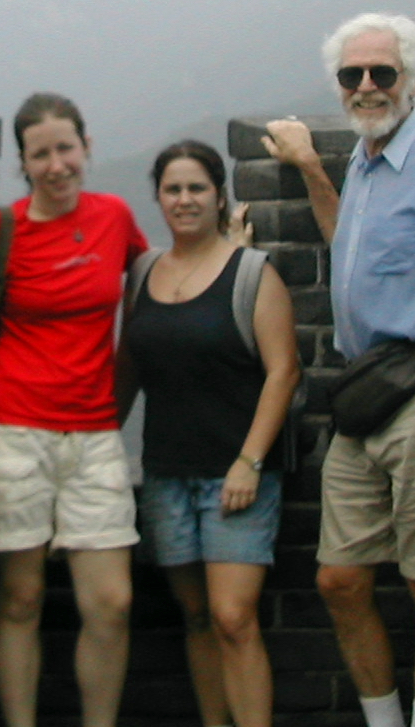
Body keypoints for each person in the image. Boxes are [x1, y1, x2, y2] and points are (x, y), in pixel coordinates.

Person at [262, 14, 415, 727]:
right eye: (352, 75)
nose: (368, 87)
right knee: (340, 579)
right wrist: (313, 167)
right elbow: (350, 244)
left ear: (410, 80)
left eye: (382, 73)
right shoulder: (364, 160)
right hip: (365, 390)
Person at [0, 92, 148, 727]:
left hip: (93, 431)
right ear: (22, 163)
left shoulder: (115, 217)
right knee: (20, 598)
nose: (57, 164)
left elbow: (155, 288)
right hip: (10, 427)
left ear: (87, 148)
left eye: (66, 148)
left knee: (111, 602)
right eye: (41, 154)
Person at [117, 140, 300, 727]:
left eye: (197, 187)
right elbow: (128, 369)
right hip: (167, 472)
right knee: (196, 617)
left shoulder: (252, 273)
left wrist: (248, 461)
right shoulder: (143, 272)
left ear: (219, 195)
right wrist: (97, 445)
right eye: (173, 189)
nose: (185, 199)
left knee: (232, 616)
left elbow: (284, 371)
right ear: (159, 199)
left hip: (237, 476)